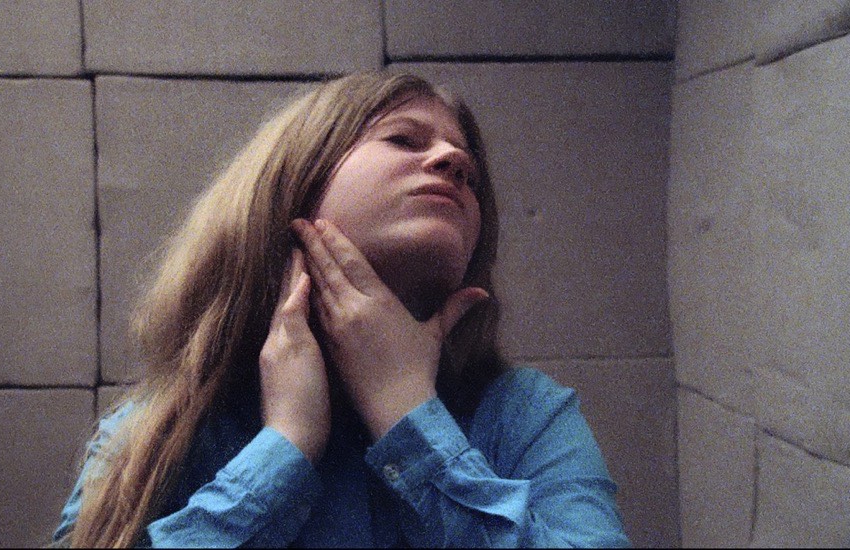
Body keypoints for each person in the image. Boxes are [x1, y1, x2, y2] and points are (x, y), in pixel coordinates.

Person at [52, 71, 630, 548]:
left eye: (471, 174)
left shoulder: (527, 415)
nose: (454, 158)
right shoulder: (160, 428)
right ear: (297, 181)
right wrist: (285, 448)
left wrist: (408, 413)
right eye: (404, 139)